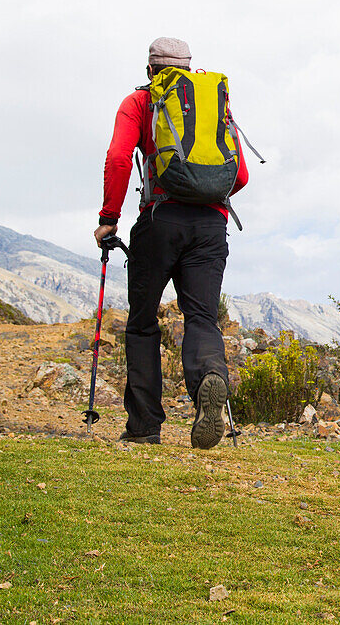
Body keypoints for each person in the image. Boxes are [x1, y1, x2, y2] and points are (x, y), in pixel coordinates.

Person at [94, 37, 248, 448]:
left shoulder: (140, 102)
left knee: (142, 322)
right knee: (201, 317)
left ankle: (145, 426)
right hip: (212, 225)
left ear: (150, 70)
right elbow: (242, 176)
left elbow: (118, 158)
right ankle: (209, 381)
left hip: (160, 220)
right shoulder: (213, 102)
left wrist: (109, 219)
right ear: (189, 67)